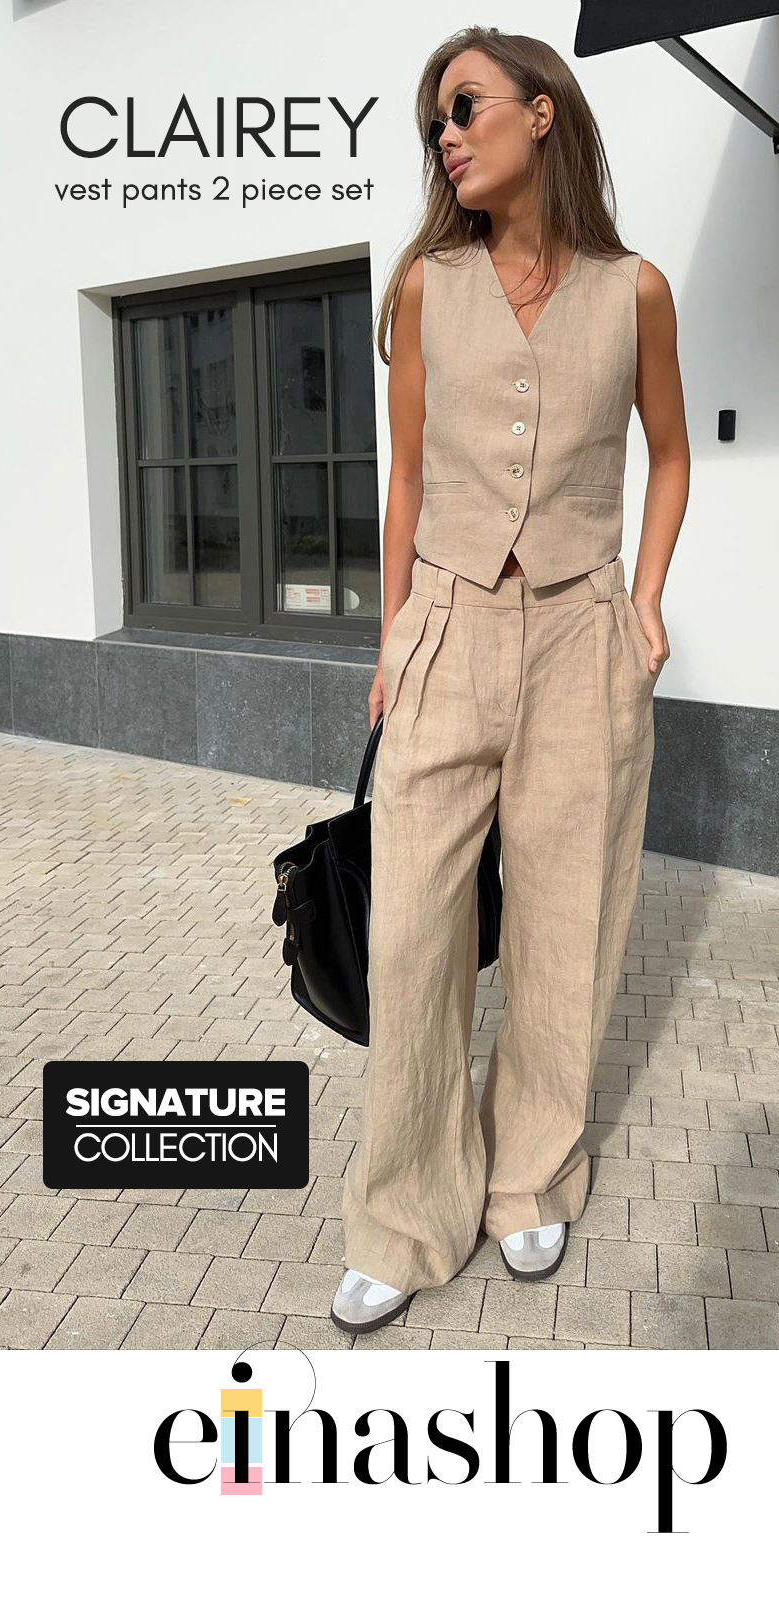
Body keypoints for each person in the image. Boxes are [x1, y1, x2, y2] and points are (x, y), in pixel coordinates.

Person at [330, 27, 689, 1336]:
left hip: (583, 636)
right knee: (413, 932)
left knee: (564, 918)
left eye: (467, 107)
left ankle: (529, 1178)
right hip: (448, 626)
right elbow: (409, 478)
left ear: (542, 114)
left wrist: (645, 600)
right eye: (436, 121)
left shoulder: (635, 290)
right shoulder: (426, 287)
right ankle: (403, 1215)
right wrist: (391, 635)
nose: (447, 136)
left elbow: (670, 453)